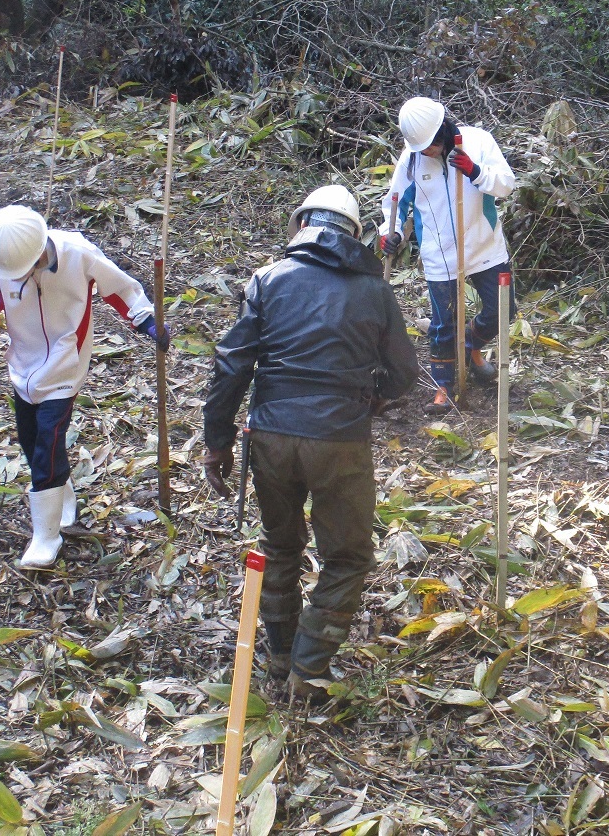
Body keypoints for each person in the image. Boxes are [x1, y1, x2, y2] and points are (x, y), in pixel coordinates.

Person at [201, 185, 418, 699]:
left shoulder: (268, 279)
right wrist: (375, 398)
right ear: (354, 236)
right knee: (347, 556)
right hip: (340, 439)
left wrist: (217, 441)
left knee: (280, 544)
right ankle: (309, 666)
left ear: (302, 226)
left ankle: (281, 656)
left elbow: (231, 366)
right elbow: (405, 373)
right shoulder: (375, 291)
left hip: (271, 436)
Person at [0, 205, 169, 569]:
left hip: (66, 363)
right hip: (23, 366)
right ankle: (60, 492)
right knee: (31, 442)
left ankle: (46, 536)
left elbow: (118, 287)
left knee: (49, 440)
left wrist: (146, 320)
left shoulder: (76, 252)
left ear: (40, 251)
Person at [379, 96, 516, 415]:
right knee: (443, 325)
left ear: (443, 130)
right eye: (420, 147)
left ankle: (469, 346)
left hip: (485, 247)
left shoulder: (479, 141)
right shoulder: (411, 159)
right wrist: (392, 232)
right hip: (439, 255)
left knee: (503, 309)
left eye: (430, 145)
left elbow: (506, 185)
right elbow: (394, 202)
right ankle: (444, 387)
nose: (426, 151)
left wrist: (475, 172)